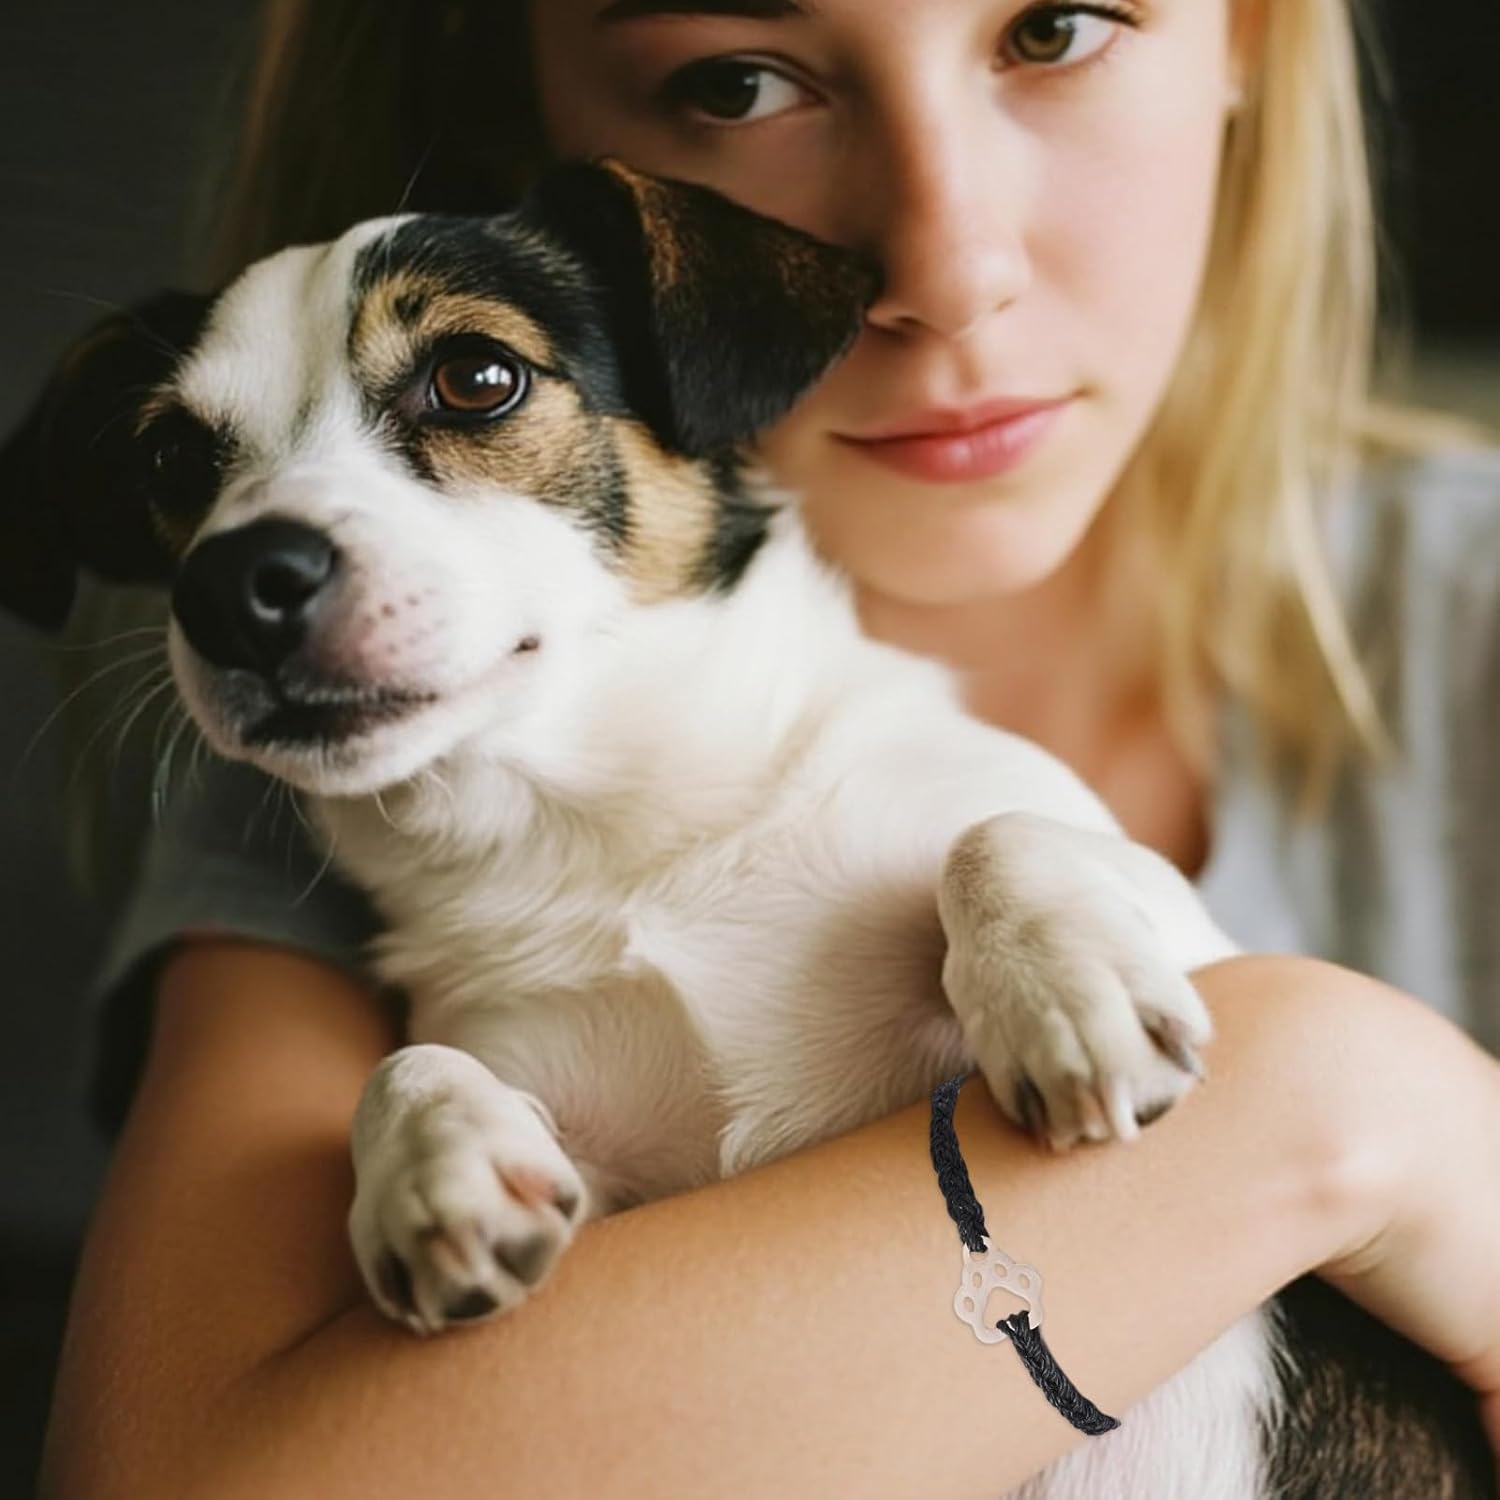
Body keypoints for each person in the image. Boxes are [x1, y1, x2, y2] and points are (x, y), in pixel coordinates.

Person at [34, 0, 1500, 1494]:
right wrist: (1320, 1108)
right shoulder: (348, 905)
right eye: (737, 79)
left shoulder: (981, 822)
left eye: (473, 385)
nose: (944, 265)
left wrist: (1084, 925)